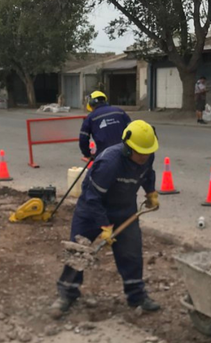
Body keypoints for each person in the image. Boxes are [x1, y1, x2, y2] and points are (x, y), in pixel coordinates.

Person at [50, 120, 161, 318]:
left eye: (148, 152)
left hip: (125, 211)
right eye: (140, 153)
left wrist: (151, 192)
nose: (144, 156)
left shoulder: (147, 154)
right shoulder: (110, 162)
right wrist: (105, 227)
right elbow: (92, 198)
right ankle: (67, 294)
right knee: (80, 252)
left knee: (132, 253)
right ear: (128, 148)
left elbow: (147, 174)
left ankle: (136, 296)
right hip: (91, 212)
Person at [78, 90, 132, 159]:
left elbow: (83, 139)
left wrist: (87, 154)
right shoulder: (120, 111)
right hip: (124, 152)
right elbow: (132, 130)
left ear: (91, 103)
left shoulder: (91, 117)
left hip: (105, 155)